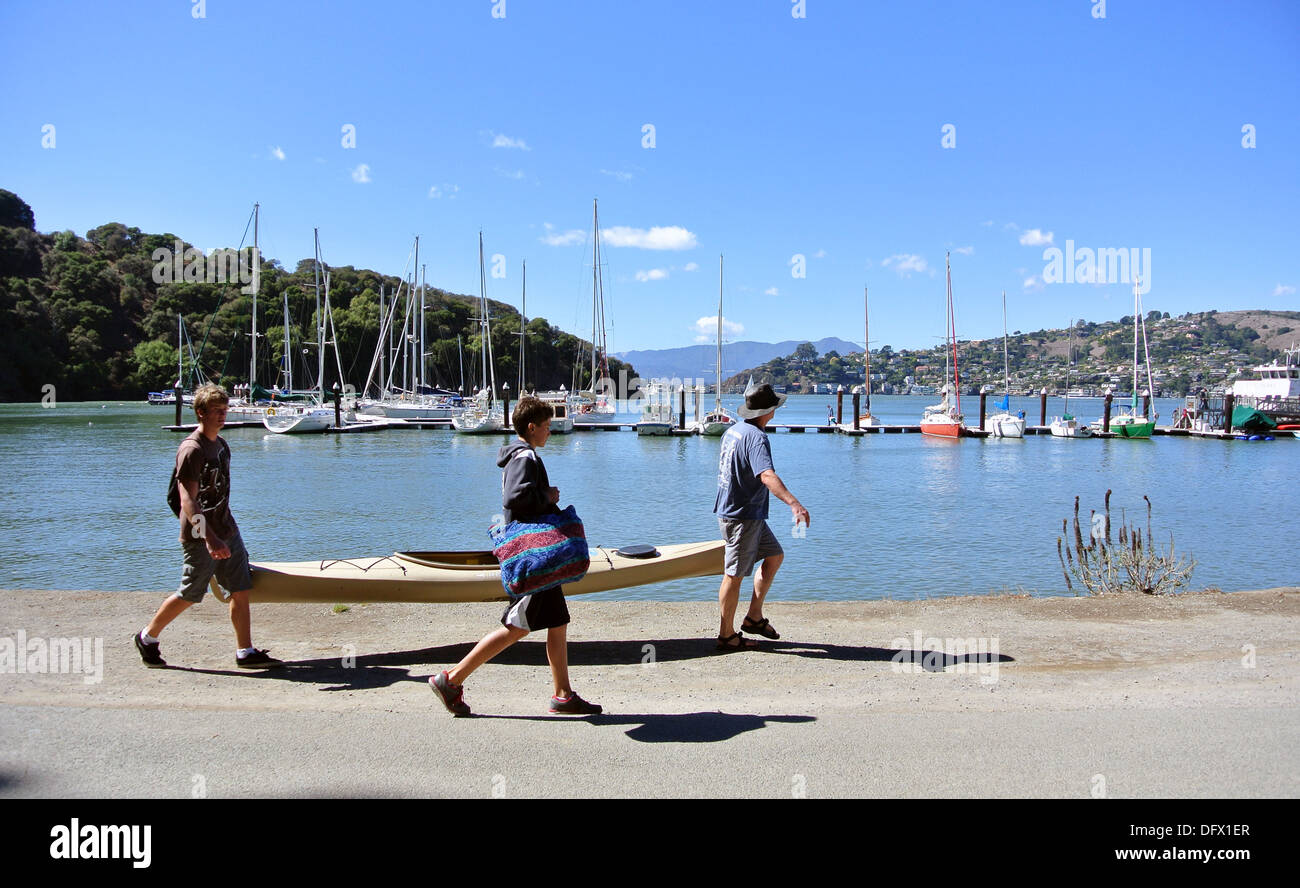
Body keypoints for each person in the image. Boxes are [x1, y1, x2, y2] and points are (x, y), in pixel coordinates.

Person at [429, 396, 601, 717]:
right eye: (546, 427)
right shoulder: (525, 458)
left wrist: (543, 498)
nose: (550, 432)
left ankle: (563, 694)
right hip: (533, 558)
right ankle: (451, 679)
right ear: (531, 427)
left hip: (538, 558)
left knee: (558, 622)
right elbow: (516, 498)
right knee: (516, 627)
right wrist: (547, 497)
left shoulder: (521, 455)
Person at [134, 383, 281, 669]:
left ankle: (245, 652)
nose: (222, 416)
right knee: (191, 592)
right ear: (201, 413)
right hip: (201, 537)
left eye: (225, 411)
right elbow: (187, 500)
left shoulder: (222, 446)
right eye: (216, 411)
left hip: (227, 531)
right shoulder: (192, 449)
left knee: (240, 588)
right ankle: (147, 637)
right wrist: (210, 538)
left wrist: (225, 532)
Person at [713, 380, 810, 651]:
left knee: (774, 555)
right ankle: (726, 635)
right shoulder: (757, 438)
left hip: (743, 512)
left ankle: (754, 617)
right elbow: (766, 475)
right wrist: (794, 504)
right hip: (741, 515)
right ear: (769, 411)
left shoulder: (734, 431)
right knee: (734, 574)